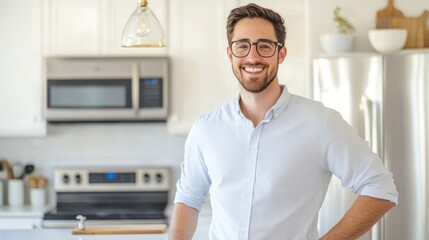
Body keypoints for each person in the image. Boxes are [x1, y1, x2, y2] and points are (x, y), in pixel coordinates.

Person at [169, 3, 398, 240]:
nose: (252, 56)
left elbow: (381, 188)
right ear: (230, 54)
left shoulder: (320, 123)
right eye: (242, 46)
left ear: (281, 54)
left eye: (264, 46)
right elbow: (188, 199)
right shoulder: (207, 127)